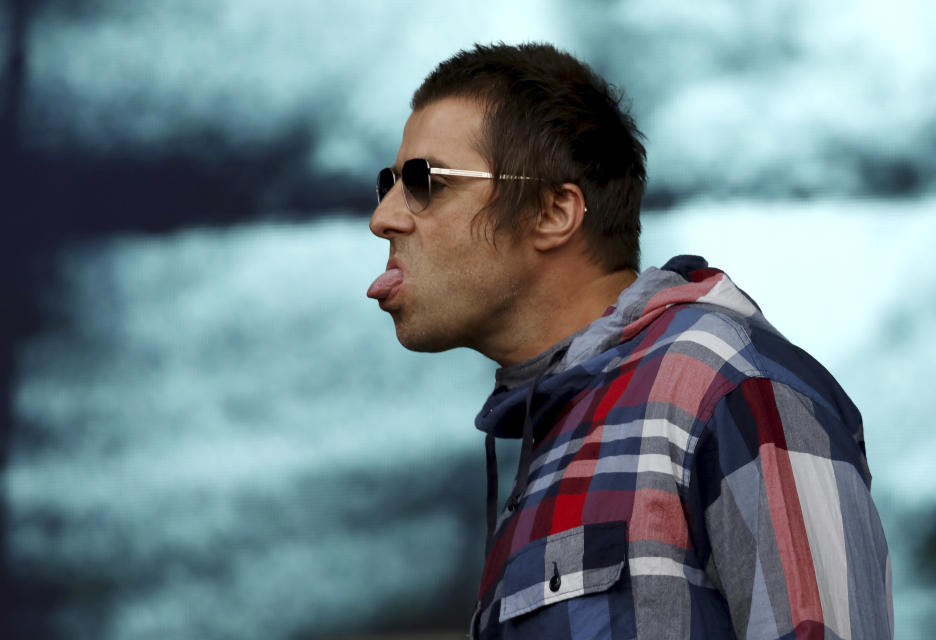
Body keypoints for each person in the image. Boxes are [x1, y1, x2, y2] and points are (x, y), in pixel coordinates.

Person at [366, 42, 893, 640]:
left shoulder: (733, 387)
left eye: (423, 181)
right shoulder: (561, 424)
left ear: (553, 212)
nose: (384, 216)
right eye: (388, 182)